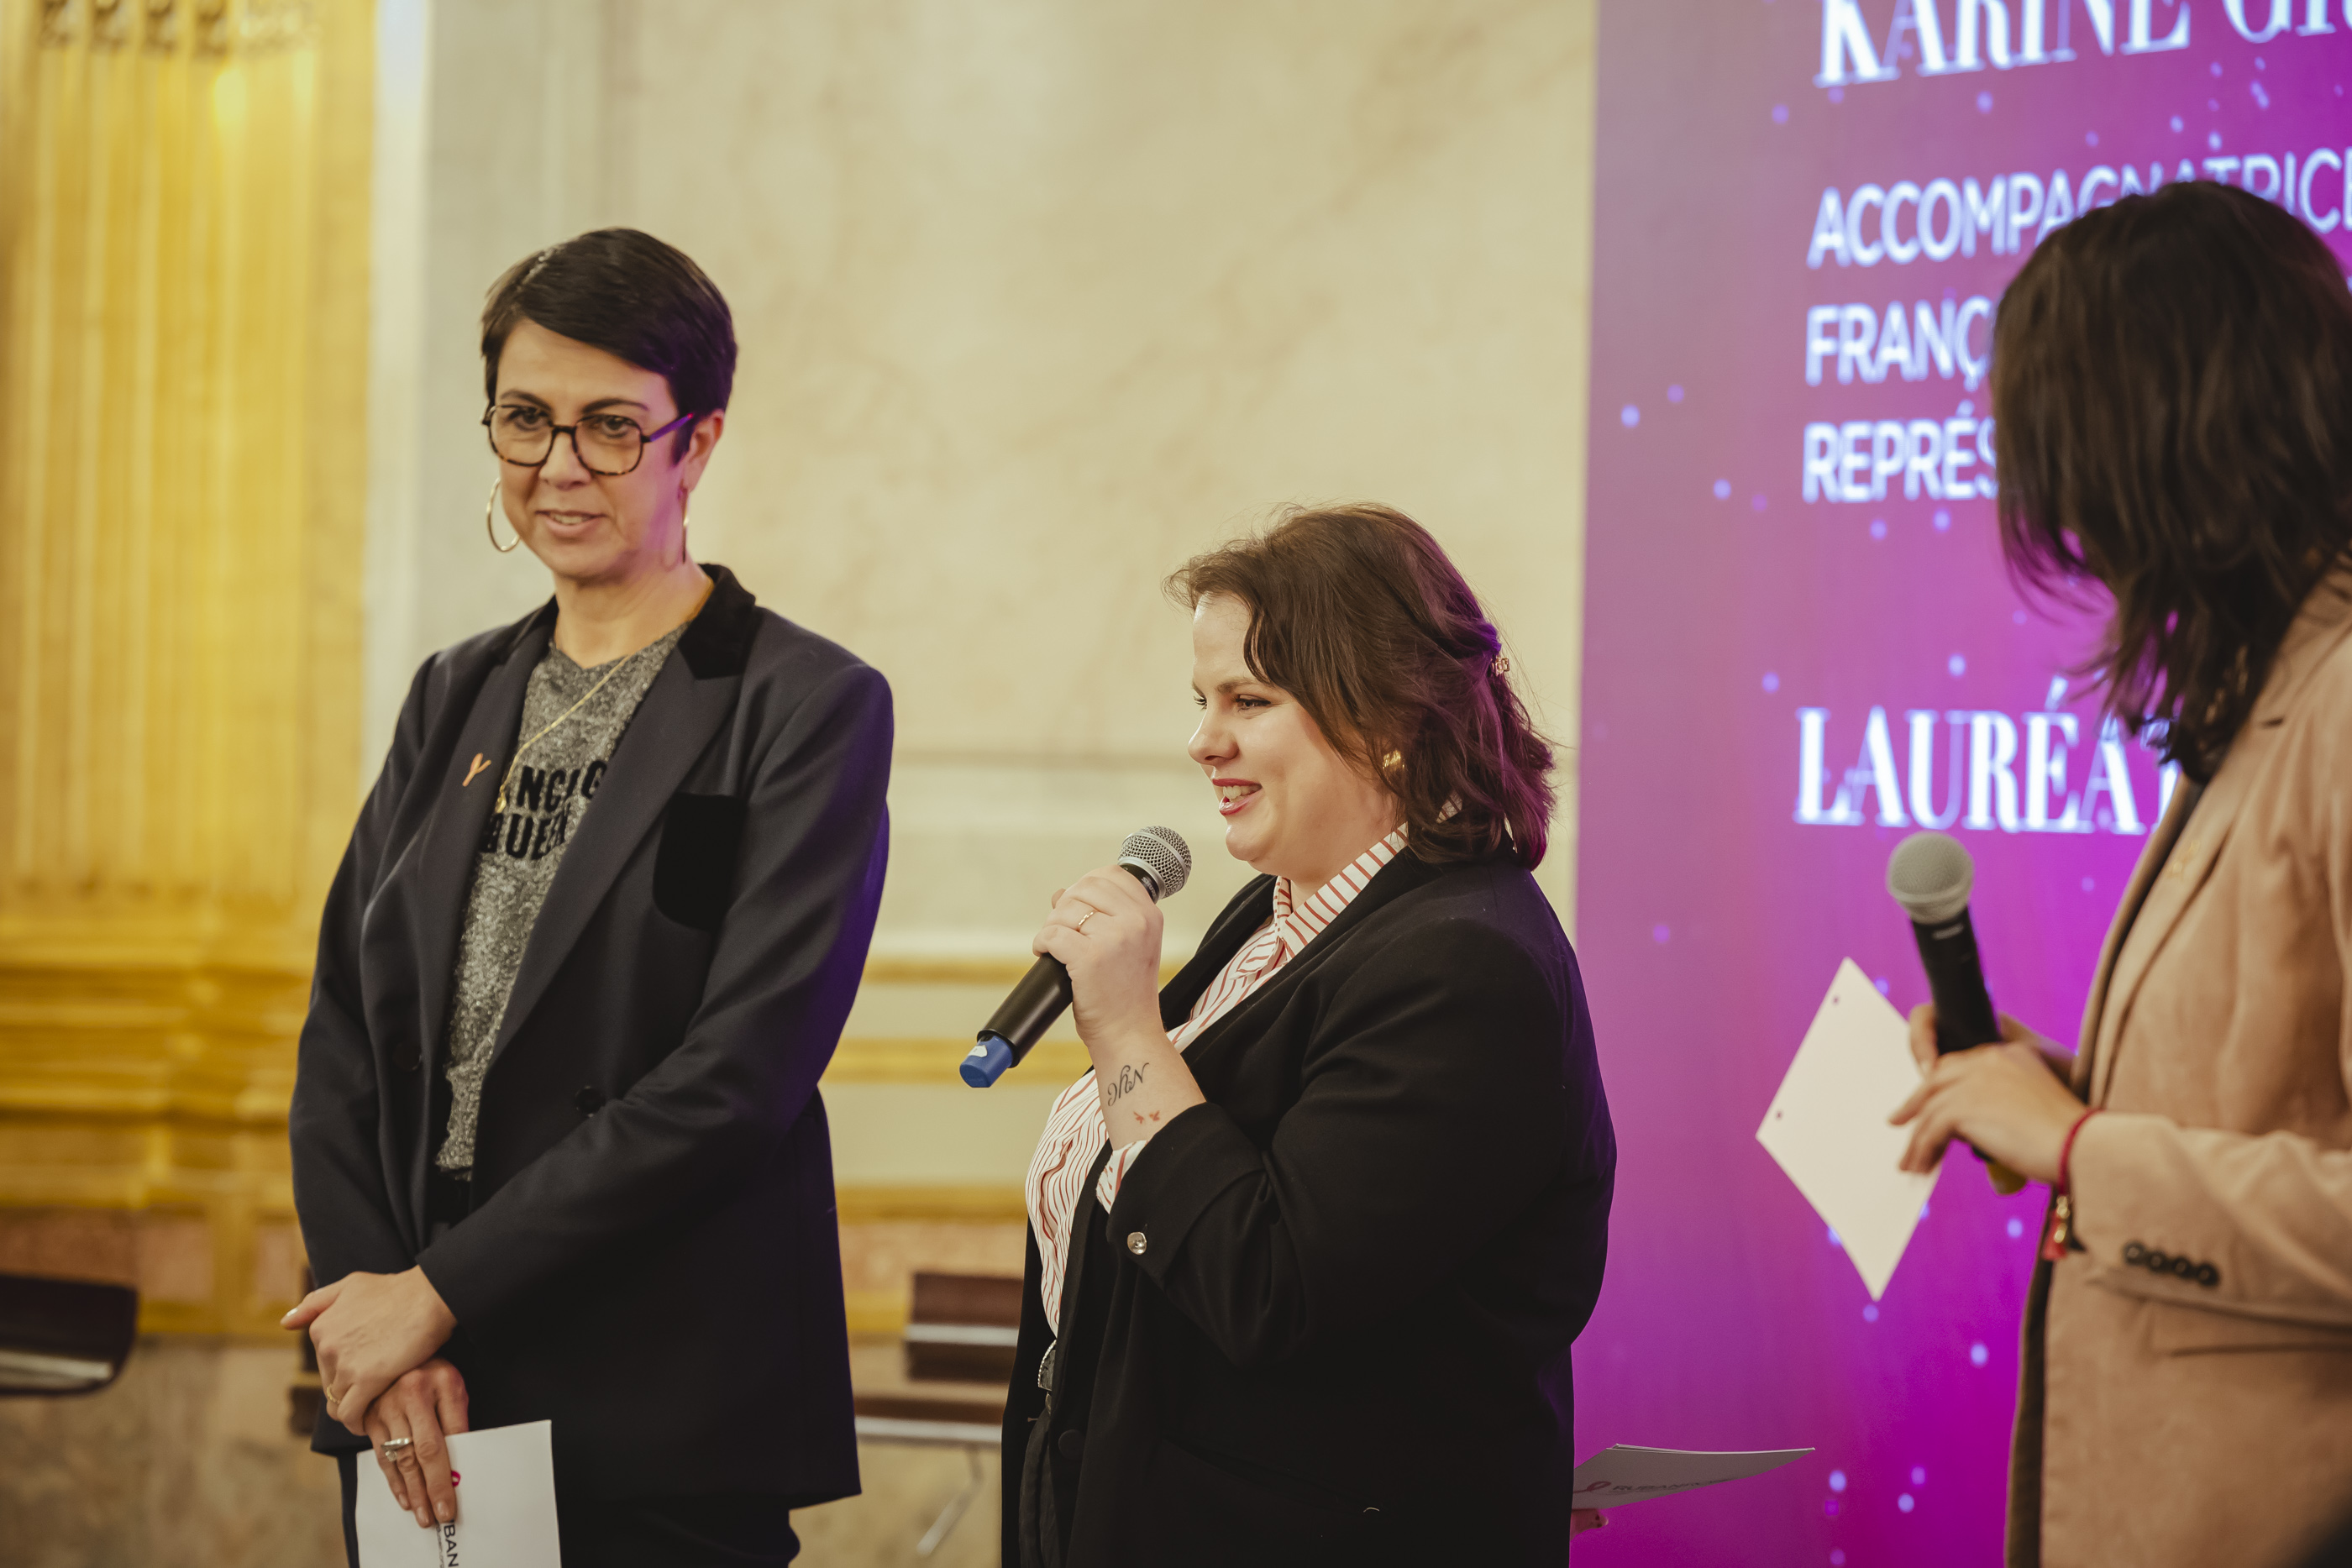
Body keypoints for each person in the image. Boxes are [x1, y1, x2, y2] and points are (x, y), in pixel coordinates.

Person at [283, 229, 892, 1568]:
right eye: (526, 419)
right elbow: (343, 1035)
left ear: (699, 439)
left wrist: (439, 1291)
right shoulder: (454, 691)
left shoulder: (809, 705)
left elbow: (737, 1078)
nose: (559, 466)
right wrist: (375, 1320)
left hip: (653, 1387)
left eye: (611, 427)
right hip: (416, 1390)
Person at [1000, 505, 1616, 1567]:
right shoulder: (1278, 909)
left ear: (1386, 716)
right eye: (1202, 700)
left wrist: (1122, 1023)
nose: (1203, 740)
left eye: (1249, 699)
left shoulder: (1466, 968)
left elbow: (1268, 1285)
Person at [1889, 183, 2352, 1568]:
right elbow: (2286, 1092)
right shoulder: (2278, 688)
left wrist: (2087, 1151)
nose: (2052, 504)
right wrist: (2063, 1086)